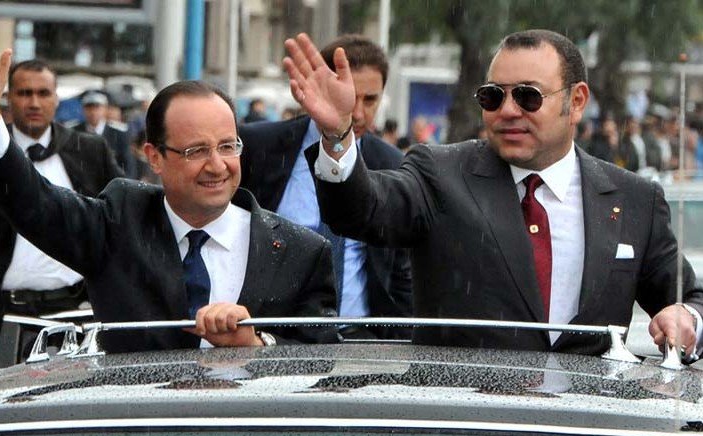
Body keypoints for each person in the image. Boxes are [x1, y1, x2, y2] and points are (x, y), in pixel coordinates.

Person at [283, 29, 703, 357]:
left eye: (527, 96)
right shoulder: (440, 173)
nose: (507, 110)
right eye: (492, 96)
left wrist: (686, 318)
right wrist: (338, 136)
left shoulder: (633, 200)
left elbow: (689, 298)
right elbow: (363, 209)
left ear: (576, 102)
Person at [0, 13, 338, 354]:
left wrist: (257, 344)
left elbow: (321, 362)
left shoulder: (300, 252)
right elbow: (33, 202)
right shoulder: (118, 224)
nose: (217, 165)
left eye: (227, 146)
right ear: (155, 157)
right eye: (196, 151)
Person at [0, 58, 124, 367]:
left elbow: (120, 223)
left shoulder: (90, 150)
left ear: (56, 98)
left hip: (81, 315)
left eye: (43, 93)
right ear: (9, 99)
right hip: (3, 317)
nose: (34, 102)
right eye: (24, 93)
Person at [240, 34, 412, 339]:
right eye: (346, 95)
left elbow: (399, 269)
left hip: (360, 341)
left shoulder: (393, 164)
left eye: (370, 99)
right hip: (269, 339)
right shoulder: (259, 147)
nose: (357, 112)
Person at [74, 91, 135, 178]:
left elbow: (128, 165)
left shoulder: (119, 134)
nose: (93, 112)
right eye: (89, 108)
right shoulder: (74, 133)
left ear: (105, 109)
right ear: (83, 110)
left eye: (97, 107)